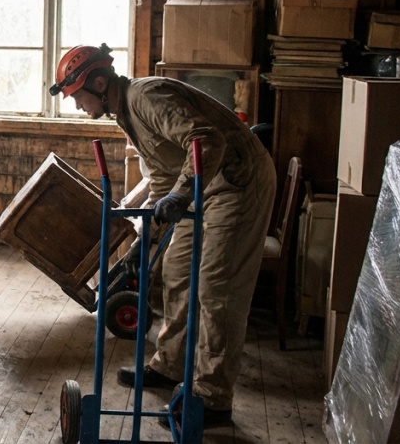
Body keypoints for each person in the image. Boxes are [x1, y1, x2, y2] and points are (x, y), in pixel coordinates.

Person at [50, 43, 275, 427]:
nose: (77, 106)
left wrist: (180, 194)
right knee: (176, 272)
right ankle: (170, 364)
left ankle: (212, 398)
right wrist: (144, 239)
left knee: (216, 289)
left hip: (236, 182)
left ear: (100, 83)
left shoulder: (146, 96)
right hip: (199, 186)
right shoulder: (125, 114)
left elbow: (207, 140)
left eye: (78, 97)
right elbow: (162, 179)